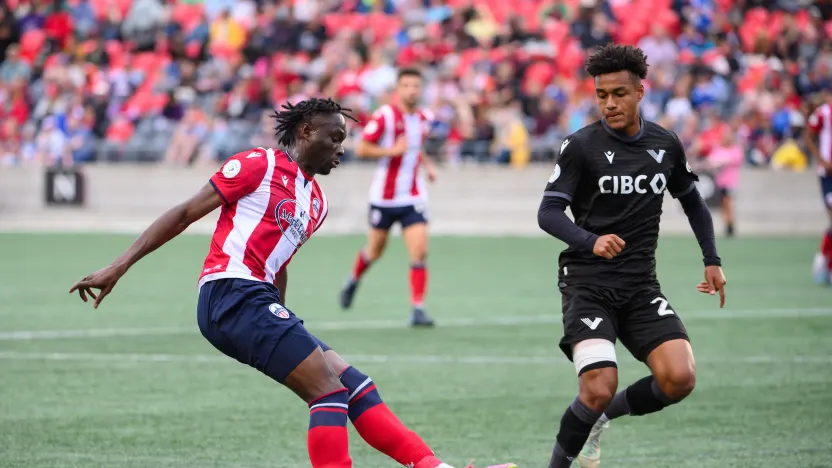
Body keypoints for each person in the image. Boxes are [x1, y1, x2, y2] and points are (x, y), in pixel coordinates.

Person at [68, 98, 464, 468]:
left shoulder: (316, 203)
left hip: (259, 300)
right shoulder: (259, 164)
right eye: (336, 137)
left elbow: (280, 262)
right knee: (329, 392)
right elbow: (186, 212)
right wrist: (119, 266)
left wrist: (285, 319)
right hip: (230, 293)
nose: (342, 149)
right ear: (307, 131)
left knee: (354, 385)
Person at [536, 45, 727, 468]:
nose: (609, 103)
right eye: (601, 94)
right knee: (598, 385)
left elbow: (693, 202)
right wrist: (591, 240)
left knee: (680, 379)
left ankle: (601, 419)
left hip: (641, 286)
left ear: (641, 91)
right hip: (587, 283)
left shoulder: (665, 144)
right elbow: (548, 212)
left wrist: (710, 259)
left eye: (618, 93)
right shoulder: (580, 146)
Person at [339, 68, 438, 327]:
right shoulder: (385, 116)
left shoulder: (425, 118)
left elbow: (415, 147)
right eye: (406, 85)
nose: (412, 90)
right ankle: (353, 279)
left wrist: (427, 164)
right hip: (384, 197)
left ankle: (417, 309)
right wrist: (392, 150)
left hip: (413, 195)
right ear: (399, 89)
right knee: (374, 251)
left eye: (416, 86)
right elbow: (361, 147)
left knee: (420, 250)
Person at [804, 97, 832, 286]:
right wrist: (822, 161)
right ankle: (825, 263)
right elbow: (808, 137)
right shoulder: (824, 113)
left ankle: (823, 258)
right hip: (828, 175)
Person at [707, 125, 744, 237]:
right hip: (720, 182)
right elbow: (711, 161)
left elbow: (733, 160)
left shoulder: (736, 149)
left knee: (728, 203)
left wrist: (721, 161)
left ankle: (730, 225)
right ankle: (727, 225)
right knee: (723, 205)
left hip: (730, 182)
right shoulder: (718, 149)